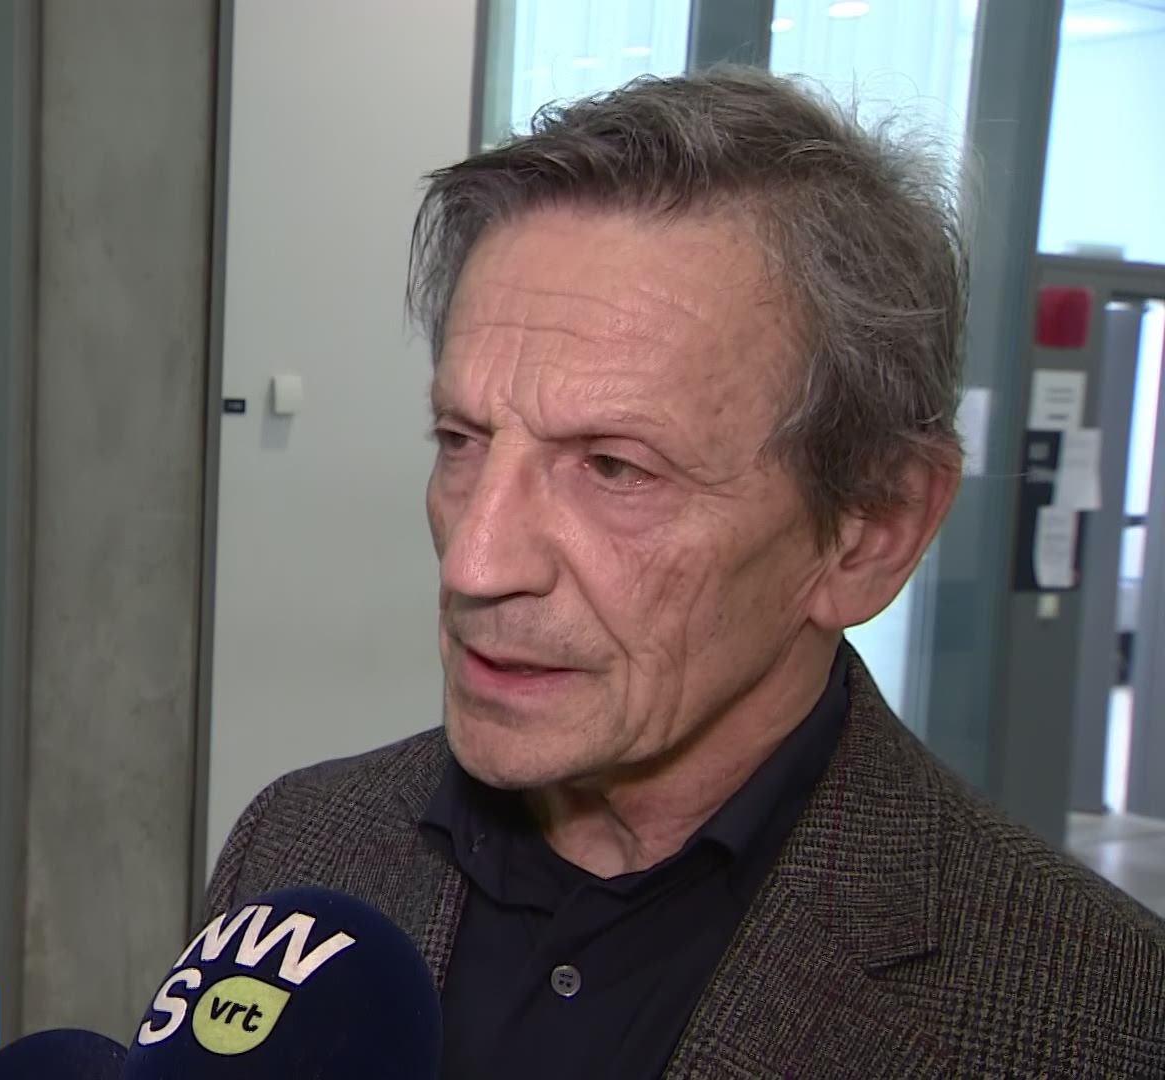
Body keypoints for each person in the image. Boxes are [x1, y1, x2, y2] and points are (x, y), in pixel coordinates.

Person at [205, 67, 1165, 1078]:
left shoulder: (1097, 1018)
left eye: (615, 468)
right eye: (461, 440)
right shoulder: (300, 846)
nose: (478, 563)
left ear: (870, 531)